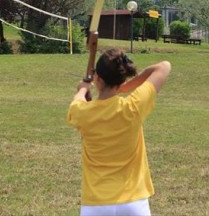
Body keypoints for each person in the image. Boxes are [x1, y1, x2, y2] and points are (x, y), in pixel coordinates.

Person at [67, 48, 171, 216]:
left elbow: (77, 101)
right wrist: (124, 87)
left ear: (97, 79)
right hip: (133, 202)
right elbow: (164, 66)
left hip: (96, 204)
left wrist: (82, 88)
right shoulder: (133, 107)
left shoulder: (82, 113)